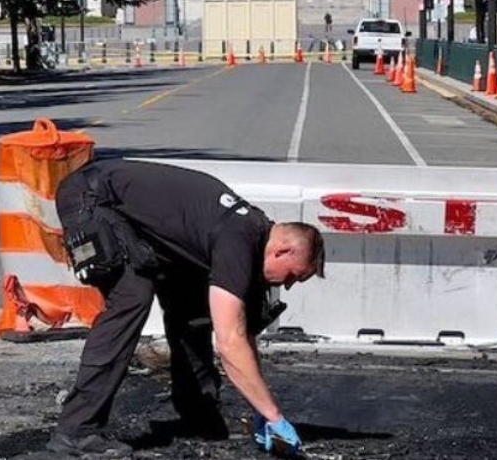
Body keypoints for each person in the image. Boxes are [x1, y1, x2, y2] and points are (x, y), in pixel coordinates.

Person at [46, 158, 326, 458]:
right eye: (294, 275)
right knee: (131, 297)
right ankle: (77, 429)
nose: (288, 286)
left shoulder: (251, 235)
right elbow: (230, 343)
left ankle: (197, 414)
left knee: (192, 307)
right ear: (283, 250)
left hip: (131, 217)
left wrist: (260, 406)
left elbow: (242, 333)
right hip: (91, 199)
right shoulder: (238, 241)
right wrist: (274, 415)